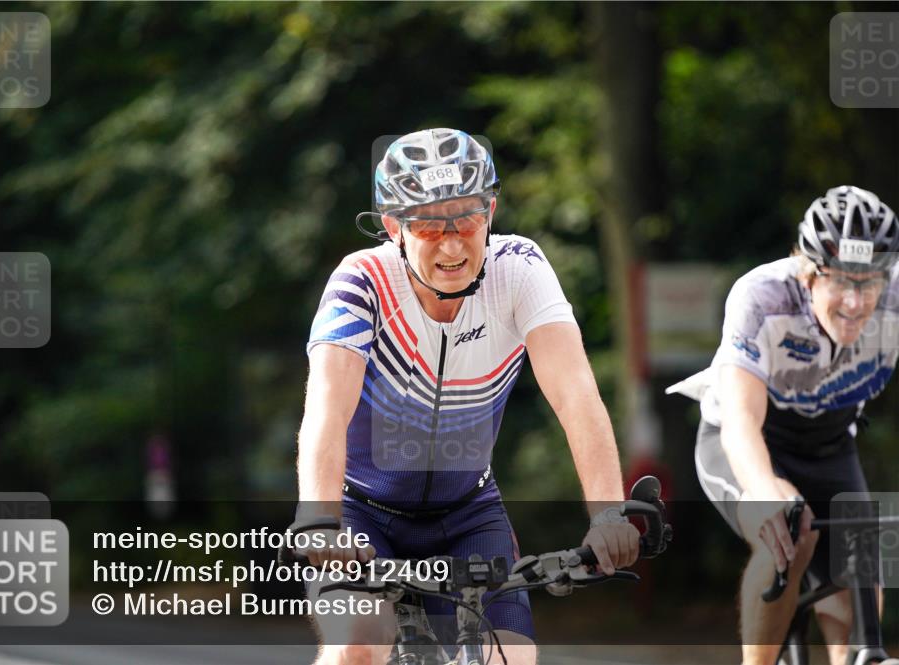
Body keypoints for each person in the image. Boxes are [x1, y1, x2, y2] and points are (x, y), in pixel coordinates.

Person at [296, 128, 640, 665]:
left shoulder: (519, 269)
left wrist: (608, 515)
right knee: (358, 643)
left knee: (511, 659)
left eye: (467, 219)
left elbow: (576, 396)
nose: (453, 244)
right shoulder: (361, 281)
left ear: (491, 211)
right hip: (362, 515)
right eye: (430, 225)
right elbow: (327, 411)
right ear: (394, 227)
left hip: (469, 514)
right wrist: (319, 520)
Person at [667, 186, 899, 665]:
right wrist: (763, 490)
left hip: (830, 442)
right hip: (747, 438)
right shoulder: (763, 297)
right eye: (841, 281)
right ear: (809, 273)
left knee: (863, 573)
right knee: (789, 537)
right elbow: (741, 420)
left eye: (869, 284)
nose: (855, 302)